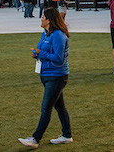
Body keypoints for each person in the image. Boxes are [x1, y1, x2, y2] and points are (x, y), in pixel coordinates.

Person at [18, 8, 73, 148]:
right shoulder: (46, 34)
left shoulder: (58, 36)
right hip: (47, 75)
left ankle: (35, 139)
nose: (41, 19)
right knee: (60, 106)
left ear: (48, 20)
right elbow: (42, 50)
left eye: (43, 16)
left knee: (46, 108)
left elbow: (58, 59)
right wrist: (36, 54)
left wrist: (41, 54)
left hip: (56, 76)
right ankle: (67, 135)